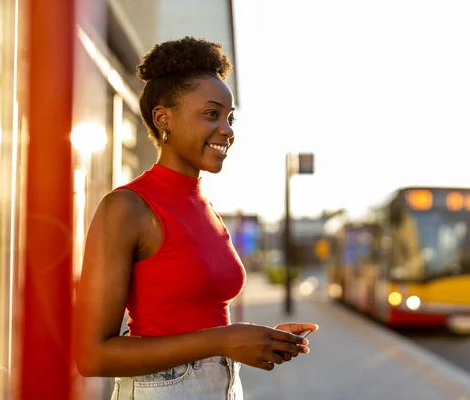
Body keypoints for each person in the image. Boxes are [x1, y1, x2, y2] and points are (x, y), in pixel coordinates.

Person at [73, 36, 318, 400]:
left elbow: (202, 319)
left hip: (224, 388)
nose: (228, 129)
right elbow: (91, 356)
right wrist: (224, 340)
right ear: (163, 118)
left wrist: (257, 340)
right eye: (211, 113)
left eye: (230, 117)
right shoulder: (127, 207)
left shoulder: (206, 207)